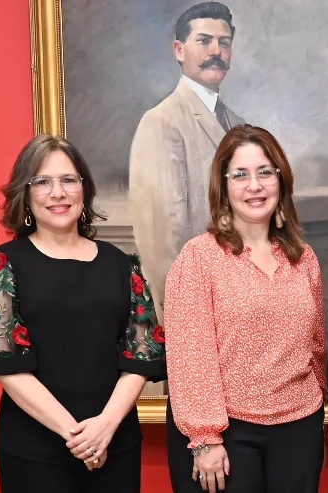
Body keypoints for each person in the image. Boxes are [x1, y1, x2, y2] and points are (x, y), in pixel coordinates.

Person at [0, 134, 167, 492]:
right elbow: (7, 365)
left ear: (83, 190)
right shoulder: (3, 263)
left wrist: (104, 428)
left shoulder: (121, 264)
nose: (58, 192)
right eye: (43, 182)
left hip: (115, 442)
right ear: (25, 194)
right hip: (34, 452)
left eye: (69, 180)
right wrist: (78, 436)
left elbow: (141, 355)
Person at [163, 124, 328, 493]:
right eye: (240, 175)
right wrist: (206, 438)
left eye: (265, 173)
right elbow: (191, 357)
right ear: (224, 186)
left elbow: (316, 345)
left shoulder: (304, 259)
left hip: (300, 429)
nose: (254, 186)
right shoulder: (199, 258)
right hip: (228, 436)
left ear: (281, 181)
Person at [128, 1, 247, 321]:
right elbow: (161, 239)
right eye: (204, 40)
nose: (216, 51)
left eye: (224, 43)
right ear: (179, 50)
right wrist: (184, 320)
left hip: (244, 304)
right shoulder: (162, 123)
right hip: (196, 310)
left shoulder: (239, 126)